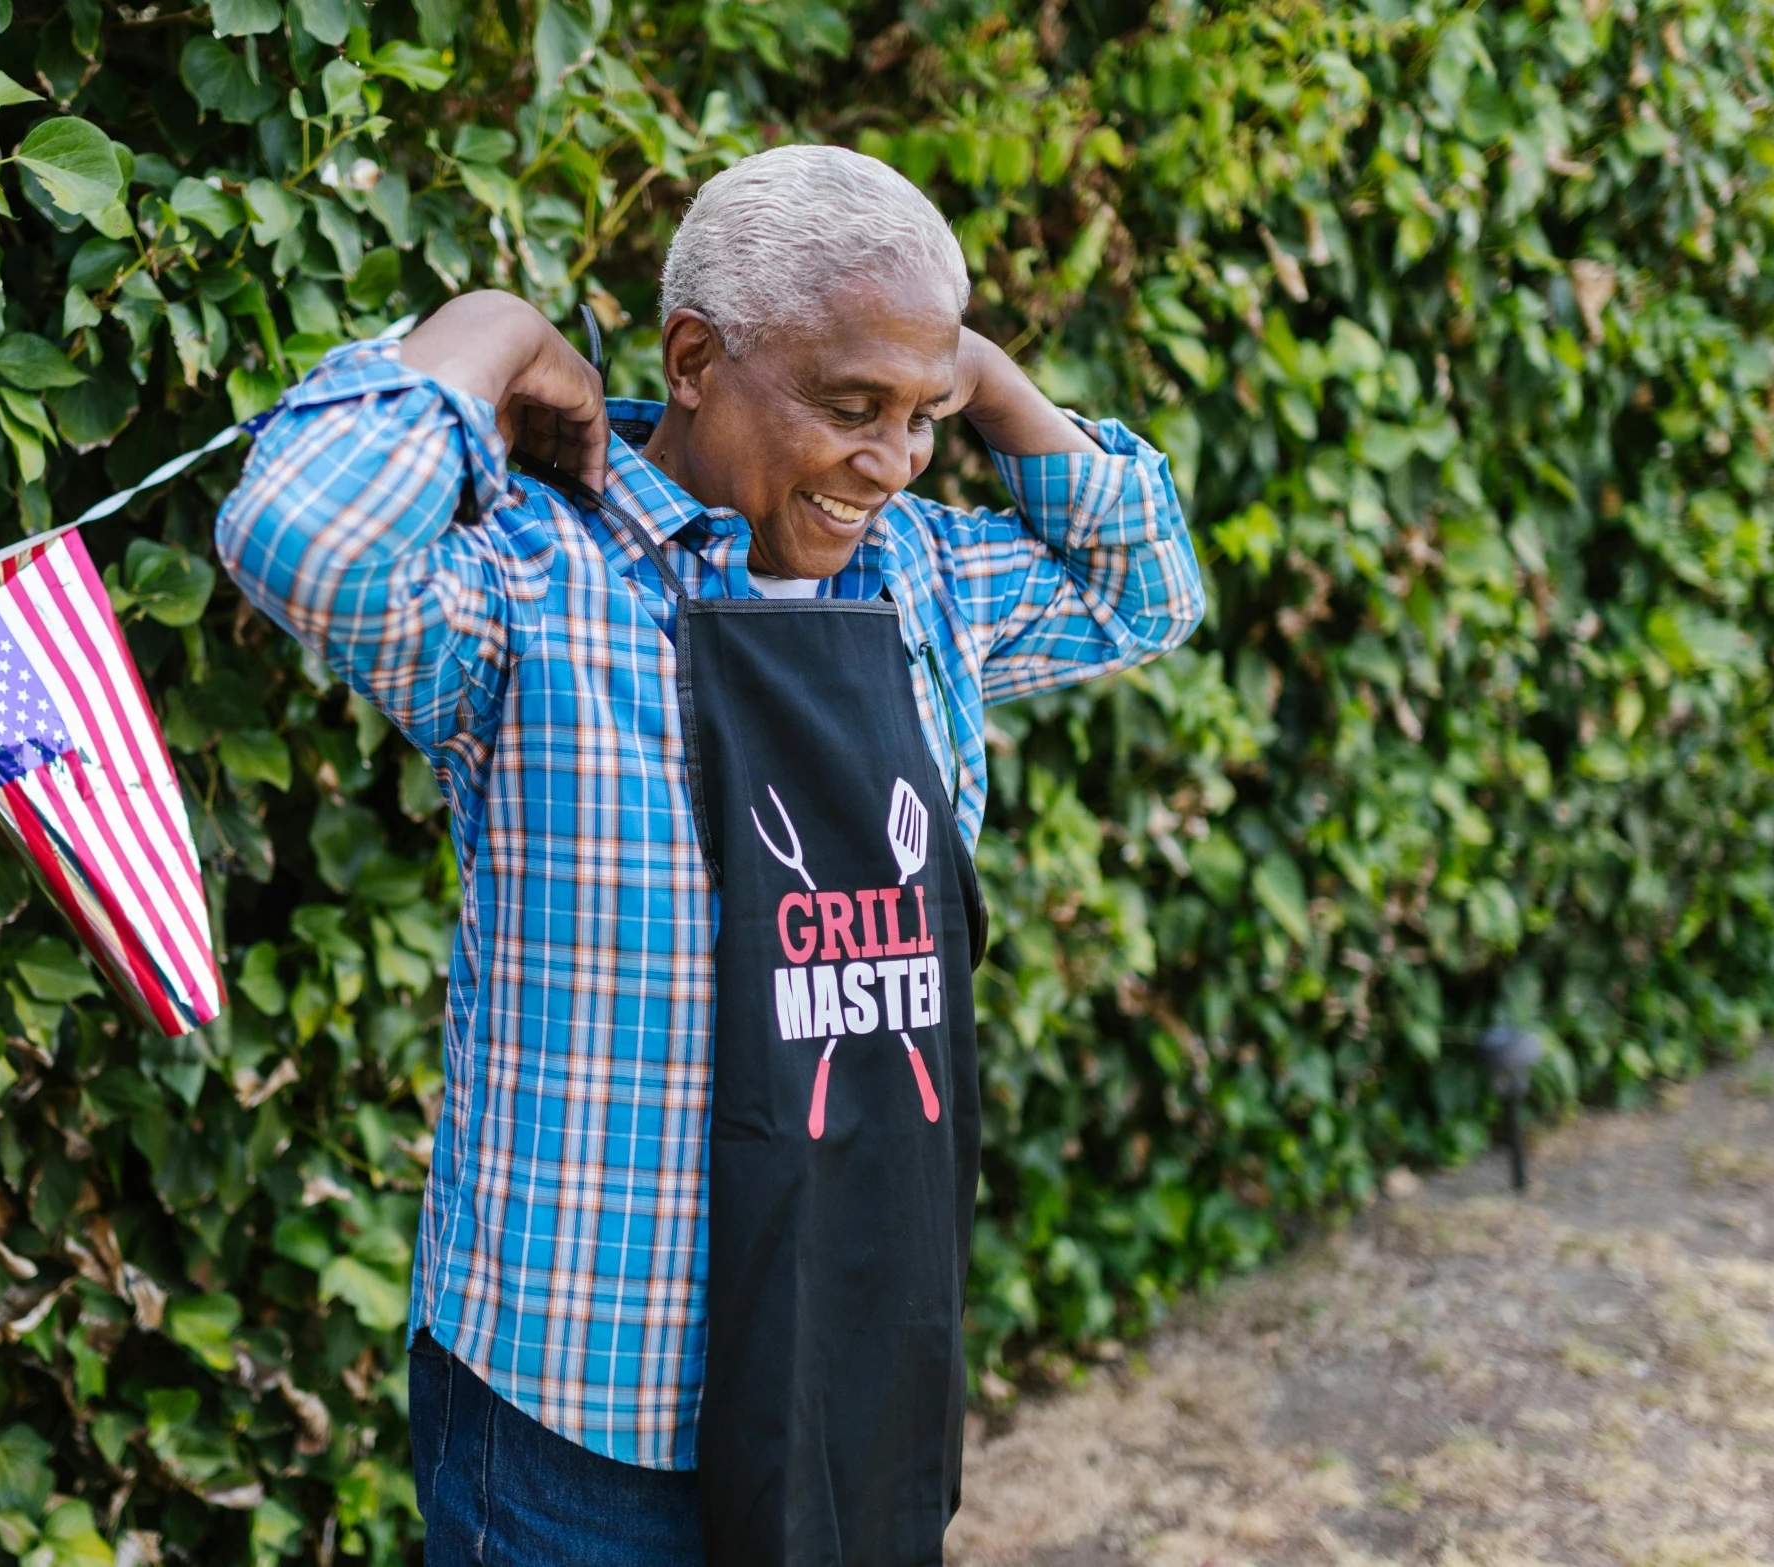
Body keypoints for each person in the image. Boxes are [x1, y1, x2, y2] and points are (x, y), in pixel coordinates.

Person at [216, 144, 1205, 1567]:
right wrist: (490, 327)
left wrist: (970, 372)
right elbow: (298, 533)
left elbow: (1145, 588)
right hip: (585, 1405)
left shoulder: (913, 572)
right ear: (691, 357)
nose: (890, 460)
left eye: (917, 419)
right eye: (849, 406)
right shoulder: (533, 588)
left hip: (843, 1375)